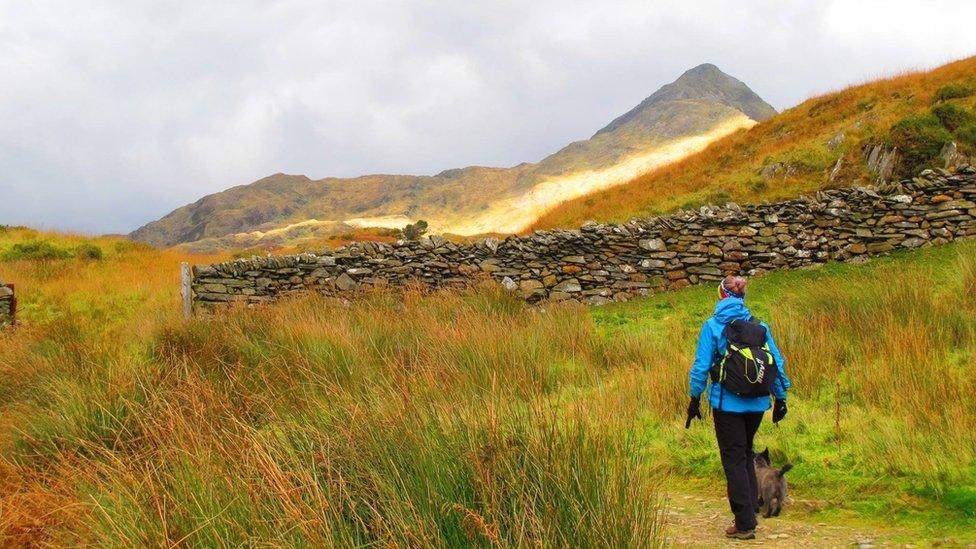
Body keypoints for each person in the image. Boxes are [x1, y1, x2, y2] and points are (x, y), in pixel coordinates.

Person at [685, 275, 790, 540]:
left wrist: (695, 398)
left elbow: (700, 366)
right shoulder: (759, 326)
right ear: (742, 298)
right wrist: (781, 397)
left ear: (721, 296)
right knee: (745, 454)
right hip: (757, 403)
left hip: (726, 404)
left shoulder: (712, 326)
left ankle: (744, 523)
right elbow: (776, 362)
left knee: (734, 460)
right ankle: (750, 510)